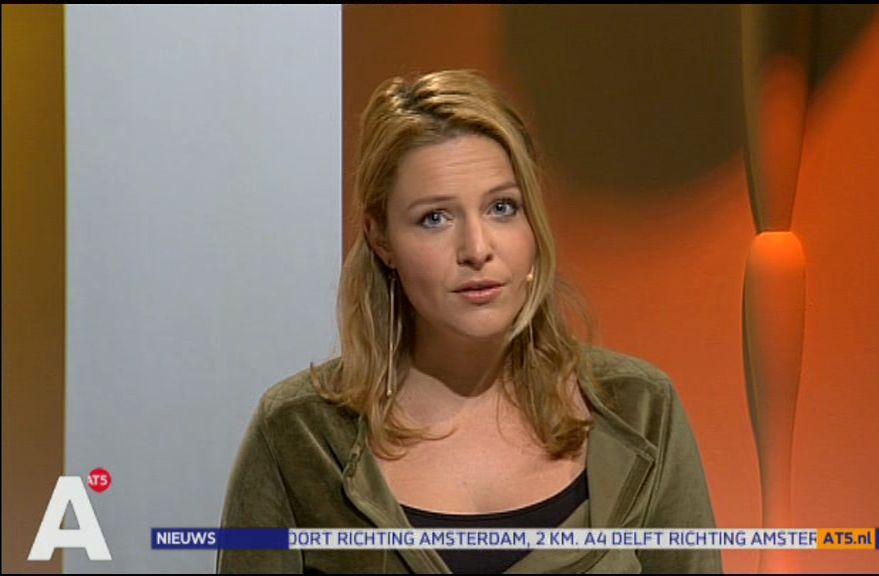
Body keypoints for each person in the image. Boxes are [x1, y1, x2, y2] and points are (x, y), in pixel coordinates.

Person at [218, 70, 721, 574]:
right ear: (381, 238)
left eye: (503, 208)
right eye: (435, 218)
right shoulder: (299, 433)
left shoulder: (638, 408)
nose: (477, 249)